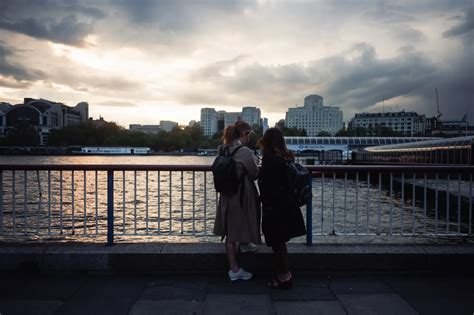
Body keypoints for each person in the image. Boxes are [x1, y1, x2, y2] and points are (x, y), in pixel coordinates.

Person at [258, 127, 306, 289]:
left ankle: (284, 277)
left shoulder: (270, 160)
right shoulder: (286, 158)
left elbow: (267, 184)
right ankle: (285, 275)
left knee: (277, 243)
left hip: (275, 207)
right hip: (287, 206)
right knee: (280, 242)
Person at [213, 120, 261, 281]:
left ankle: (245, 244)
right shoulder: (244, 150)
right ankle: (234, 270)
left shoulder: (222, 149)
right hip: (240, 194)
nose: (249, 138)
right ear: (243, 134)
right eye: (248, 135)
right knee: (233, 233)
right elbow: (254, 174)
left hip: (226, 194)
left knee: (230, 227)